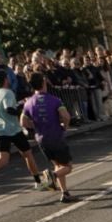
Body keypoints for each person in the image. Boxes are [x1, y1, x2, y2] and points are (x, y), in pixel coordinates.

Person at [0, 70, 44, 194]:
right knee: (27, 154)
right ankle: (38, 182)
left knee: (2, 159)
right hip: (13, 129)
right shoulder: (7, 92)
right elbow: (9, 109)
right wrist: (21, 112)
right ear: (5, 80)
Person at [21, 73, 74, 203]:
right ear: (44, 82)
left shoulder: (29, 102)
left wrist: (34, 125)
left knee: (57, 164)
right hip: (56, 136)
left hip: (41, 138)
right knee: (68, 167)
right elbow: (66, 116)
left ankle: (64, 193)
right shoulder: (55, 100)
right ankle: (51, 176)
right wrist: (65, 126)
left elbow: (23, 122)